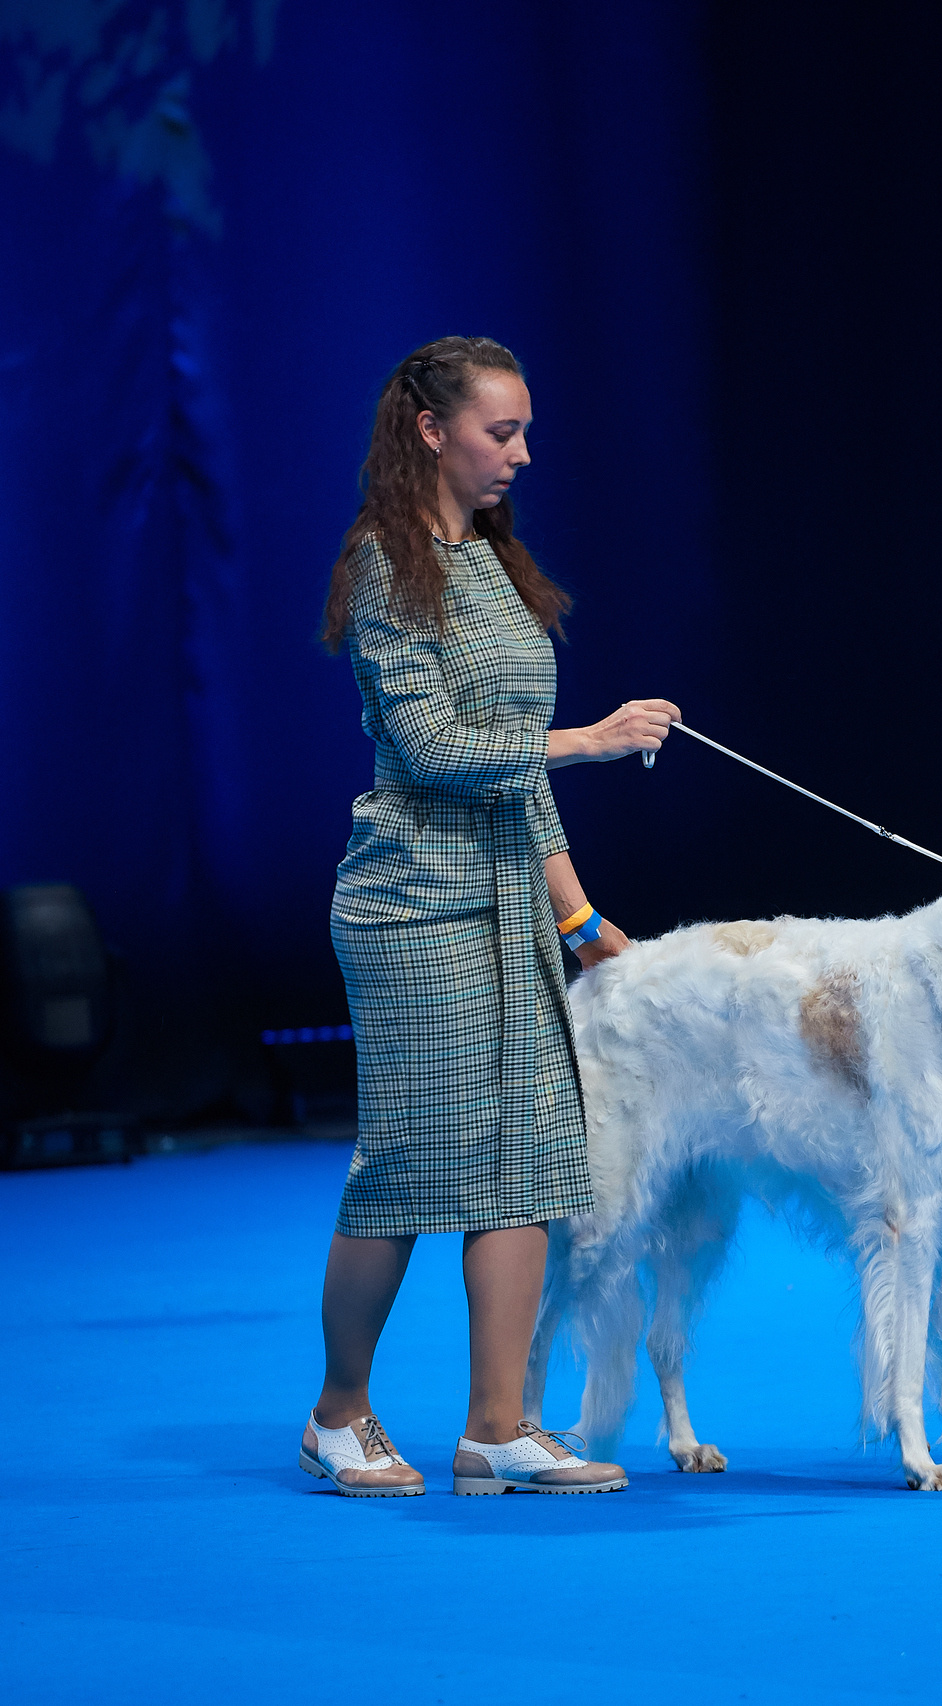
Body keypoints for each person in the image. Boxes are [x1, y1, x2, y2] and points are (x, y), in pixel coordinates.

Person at [300, 335, 677, 1497]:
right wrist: (596, 736)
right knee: (411, 1166)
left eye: (523, 432)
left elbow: (516, 779)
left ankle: (497, 1427)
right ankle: (339, 1410)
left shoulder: (498, 567)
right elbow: (435, 751)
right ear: (431, 430)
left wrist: (581, 917)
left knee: (526, 1162)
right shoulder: (383, 561)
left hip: (511, 901)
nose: (521, 451)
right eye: (499, 431)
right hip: (411, 902)